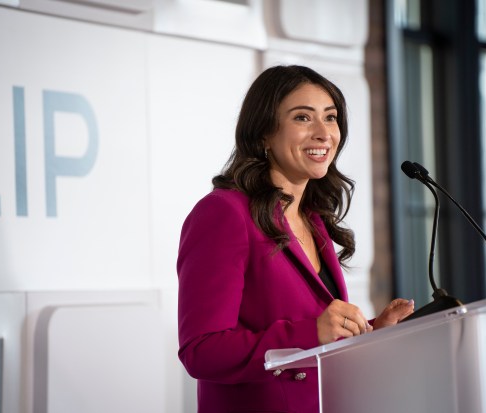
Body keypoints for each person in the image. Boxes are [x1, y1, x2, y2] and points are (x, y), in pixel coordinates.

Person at [177, 65, 414, 413]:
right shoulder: (224, 213)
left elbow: (318, 333)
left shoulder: (313, 218)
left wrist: (374, 330)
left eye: (330, 118)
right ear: (263, 134)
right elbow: (202, 351)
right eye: (303, 117)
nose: (323, 133)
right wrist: (310, 333)